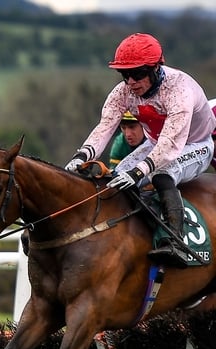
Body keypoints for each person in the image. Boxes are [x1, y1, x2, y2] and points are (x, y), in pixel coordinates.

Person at [64, 33, 216, 268]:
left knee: (161, 174)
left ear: (156, 68)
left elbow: (170, 144)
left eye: (137, 74)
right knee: (115, 180)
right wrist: (82, 156)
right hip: (155, 143)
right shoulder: (121, 93)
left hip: (194, 144)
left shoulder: (179, 90)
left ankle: (175, 240)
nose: (131, 82)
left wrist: (139, 172)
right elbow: (104, 128)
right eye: (125, 74)